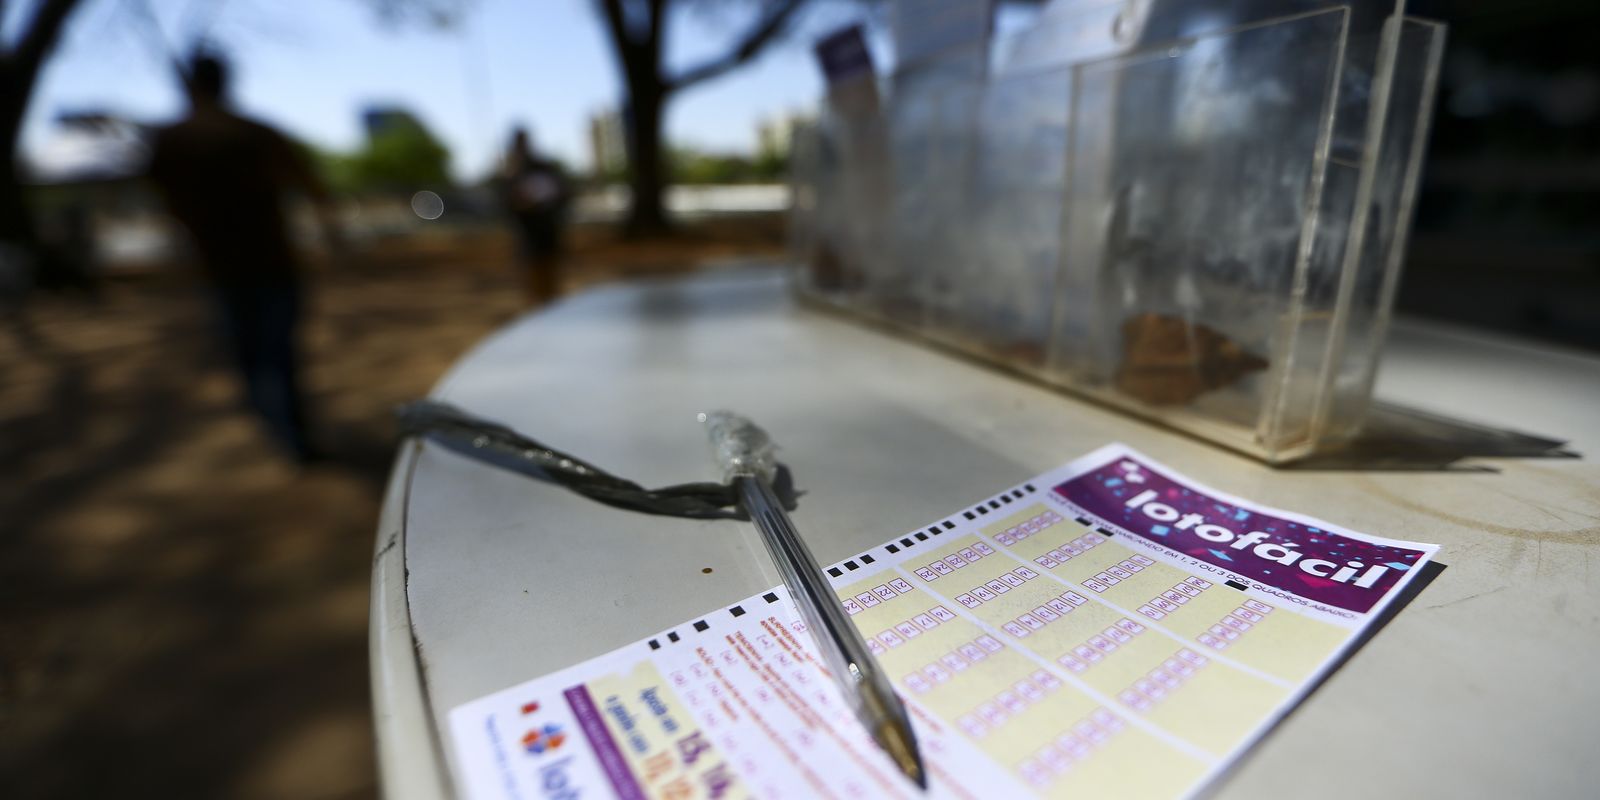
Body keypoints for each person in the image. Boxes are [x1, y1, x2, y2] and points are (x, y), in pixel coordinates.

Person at [147, 52, 333, 462]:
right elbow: (312, 187)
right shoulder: (255, 133)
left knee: (249, 354)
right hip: (272, 263)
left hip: (220, 269)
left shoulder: (171, 140)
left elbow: (167, 205)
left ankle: (277, 427)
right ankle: (291, 434)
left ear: (188, 85)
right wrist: (331, 236)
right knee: (278, 355)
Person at [500, 127, 572, 305]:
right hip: (527, 235)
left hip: (547, 230)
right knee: (533, 281)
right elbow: (508, 205)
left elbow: (562, 194)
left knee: (550, 278)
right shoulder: (513, 172)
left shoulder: (542, 167)